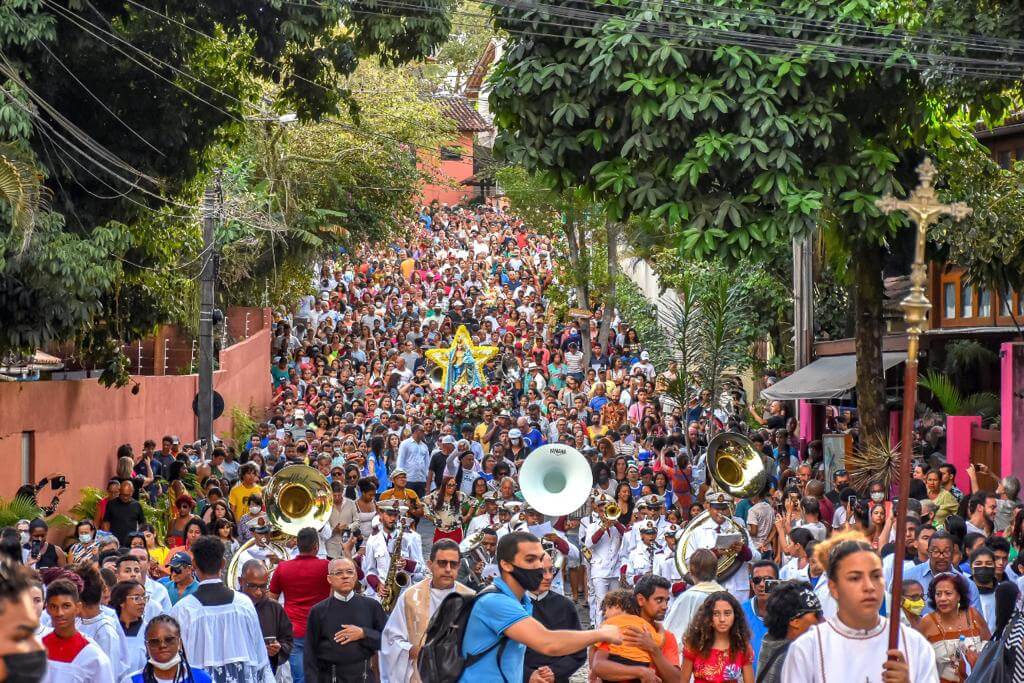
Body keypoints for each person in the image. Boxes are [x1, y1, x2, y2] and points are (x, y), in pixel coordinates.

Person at [459, 531, 622, 681]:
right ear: (506, 565)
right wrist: (602, 633)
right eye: (530, 560)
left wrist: (553, 672)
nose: (539, 569)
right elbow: (548, 643)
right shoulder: (495, 601)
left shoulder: (524, 602)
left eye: (540, 560)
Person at [780, 532, 938, 683]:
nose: (869, 586)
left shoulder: (914, 644)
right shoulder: (807, 649)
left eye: (876, 576)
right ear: (834, 587)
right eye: (855, 578)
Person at [170, 536, 273, 683]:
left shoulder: (182, 609)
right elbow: (260, 656)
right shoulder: (243, 604)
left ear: (193, 564)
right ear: (223, 564)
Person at [381, 539, 475, 683]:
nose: (448, 569)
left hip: (458, 674)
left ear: (459, 566)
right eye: (442, 563)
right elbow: (391, 639)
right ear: (430, 565)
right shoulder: (410, 597)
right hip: (419, 672)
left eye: (453, 564)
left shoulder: (470, 599)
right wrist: (412, 650)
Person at [303, 558, 387, 682]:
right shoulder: (318, 611)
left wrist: (364, 633)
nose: (345, 576)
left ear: (356, 576)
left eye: (349, 572)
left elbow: (387, 642)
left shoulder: (372, 606)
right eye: (339, 573)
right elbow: (310, 654)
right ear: (329, 579)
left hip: (363, 677)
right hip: (330, 677)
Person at [268, 527, 330, 683]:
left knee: (299, 678)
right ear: (316, 546)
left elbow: (271, 600)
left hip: (294, 630)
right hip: (321, 630)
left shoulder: (283, 568)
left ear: (298, 544)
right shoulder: (327, 567)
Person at [592, 575, 680, 683]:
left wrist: (653, 649)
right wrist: (640, 672)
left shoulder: (667, 637)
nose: (665, 606)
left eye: (666, 600)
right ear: (641, 600)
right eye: (659, 600)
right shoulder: (621, 628)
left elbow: (676, 680)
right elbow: (598, 666)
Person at [523, 551, 586, 683]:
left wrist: (554, 672)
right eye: (542, 572)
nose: (548, 577)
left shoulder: (565, 606)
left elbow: (578, 651)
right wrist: (528, 674)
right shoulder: (512, 605)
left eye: (551, 570)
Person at [915, 572, 989, 683]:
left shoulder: (973, 615)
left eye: (948, 593)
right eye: (938, 594)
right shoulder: (927, 622)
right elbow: (915, 662)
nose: (942, 598)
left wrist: (978, 659)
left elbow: (991, 649)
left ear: (959, 596)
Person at [41, 578, 115, 683]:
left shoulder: (93, 657)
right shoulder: (37, 649)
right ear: (47, 608)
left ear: (77, 607)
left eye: (66, 606)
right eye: (54, 606)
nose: (60, 613)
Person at [755, 582, 823, 683]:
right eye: (817, 615)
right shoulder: (794, 656)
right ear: (795, 621)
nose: (823, 620)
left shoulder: (771, 641)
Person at [679, 591, 753, 683]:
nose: (722, 619)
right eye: (716, 614)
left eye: (727, 613)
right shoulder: (694, 645)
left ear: (735, 616)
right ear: (707, 616)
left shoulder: (742, 647)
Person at [903, 531, 981, 615]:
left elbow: (976, 621)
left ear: (952, 553)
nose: (941, 556)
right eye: (936, 551)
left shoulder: (967, 585)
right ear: (928, 552)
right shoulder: (907, 577)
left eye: (946, 551)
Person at [363, 501, 424, 602]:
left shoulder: (412, 537)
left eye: (396, 515)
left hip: (406, 595)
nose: (393, 519)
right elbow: (370, 571)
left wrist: (407, 564)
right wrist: (377, 585)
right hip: (383, 596)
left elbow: (422, 571)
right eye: (389, 514)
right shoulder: (372, 540)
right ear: (381, 514)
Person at [239, 560, 293, 674]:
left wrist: (278, 648)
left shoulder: (275, 608)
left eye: (263, 586)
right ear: (241, 581)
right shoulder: (231, 608)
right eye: (252, 586)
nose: (258, 592)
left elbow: (288, 640)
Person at [126, 615, 213, 683]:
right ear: (146, 646)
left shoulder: (202, 678)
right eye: (155, 641)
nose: (162, 645)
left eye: (169, 640)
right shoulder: (132, 681)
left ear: (179, 643)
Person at [664, 549, 723, 642]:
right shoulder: (727, 596)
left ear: (691, 572)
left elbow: (672, 635)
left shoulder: (689, 597)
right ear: (716, 570)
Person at [741, 560, 779, 666]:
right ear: (752, 584)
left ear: (777, 582)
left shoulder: (789, 614)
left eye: (768, 580)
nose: (762, 584)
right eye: (757, 580)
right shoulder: (740, 612)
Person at [109, 580, 150, 675]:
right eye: (136, 598)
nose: (142, 602)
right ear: (121, 601)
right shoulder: (109, 629)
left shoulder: (149, 632)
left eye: (144, 597)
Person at [102, 481, 146, 547]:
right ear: (119, 491)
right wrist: (108, 538)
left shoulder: (137, 505)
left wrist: (138, 540)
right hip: (115, 542)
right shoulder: (111, 504)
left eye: (127, 495)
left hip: (131, 543)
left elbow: (142, 524)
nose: (125, 497)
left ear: (132, 492)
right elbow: (106, 522)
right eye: (123, 494)